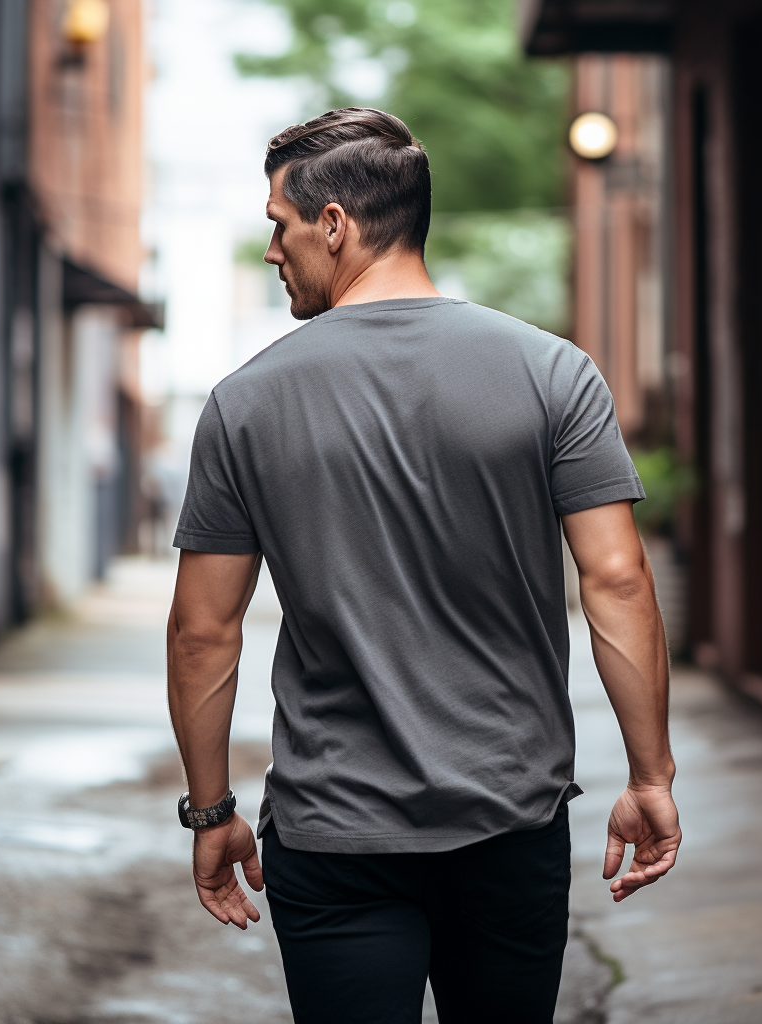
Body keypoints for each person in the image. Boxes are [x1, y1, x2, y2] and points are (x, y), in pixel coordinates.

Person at [167, 107, 681, 1024]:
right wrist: (650, 779)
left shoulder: (245, 404)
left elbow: (204, 629)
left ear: (336, 223)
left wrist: (211, 814)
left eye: (280, 226)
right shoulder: (553, 373)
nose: (273, 252)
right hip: (508, 821)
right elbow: (617, 583)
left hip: (335, 831)